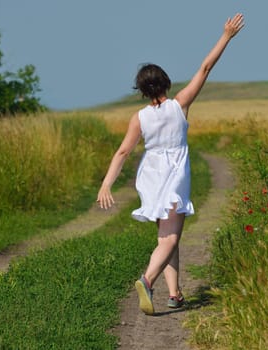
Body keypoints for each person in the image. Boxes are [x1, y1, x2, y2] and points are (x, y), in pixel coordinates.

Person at [97, 13, 245, 315]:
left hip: (150, 176)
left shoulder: (138, 117)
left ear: (142, 90)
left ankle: (175, 293)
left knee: (165, 236)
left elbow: (122, 152)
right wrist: (226, 37)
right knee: (171, 236)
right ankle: (147, 280)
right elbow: (205, 67)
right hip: (174, 175)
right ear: (165, 83)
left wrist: (106, 183)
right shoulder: (180, 105)